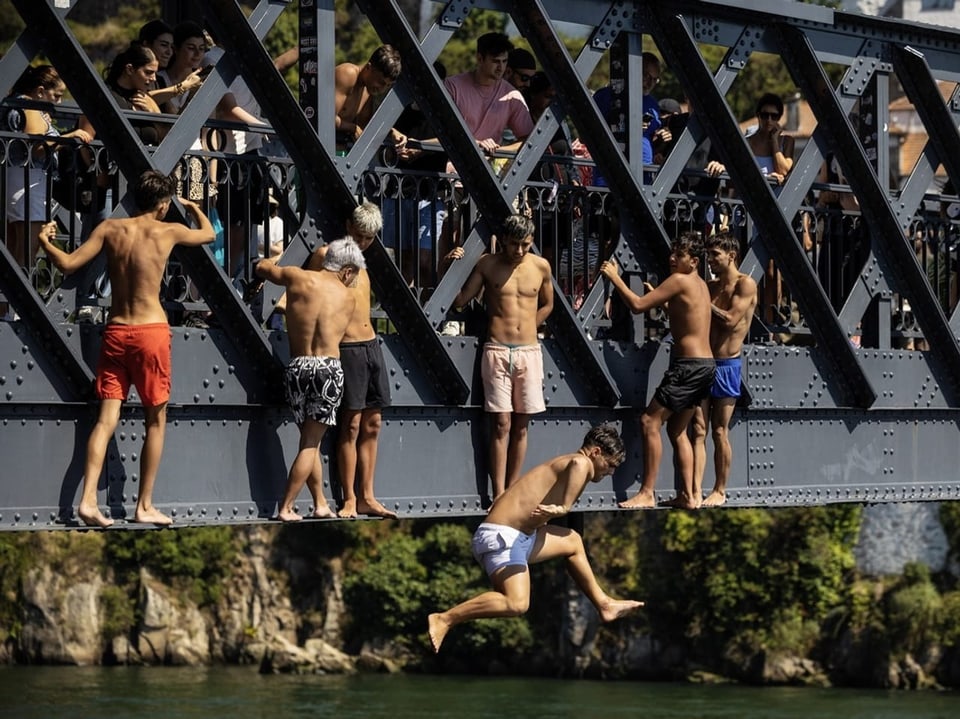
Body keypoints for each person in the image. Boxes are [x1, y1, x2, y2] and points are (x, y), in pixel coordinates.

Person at [35, 170, 216, 527]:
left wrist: (45, 242)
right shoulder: (168, 231)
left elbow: (69, 263)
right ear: (163, 205)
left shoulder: (110, 230)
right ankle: (144, 505)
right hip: (151, 333)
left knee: (105, 420)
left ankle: (88, 501)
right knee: (156, 421)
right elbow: (209, 234)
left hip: (116, 330)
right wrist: (194, 207)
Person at [426, 424, 642, 653]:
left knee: (572, 542)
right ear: (596, 452)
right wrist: (563, 508)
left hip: (523, 537)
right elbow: (580, 465)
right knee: (517, 603)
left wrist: (558, 509)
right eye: (610, 465)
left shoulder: (567, 464)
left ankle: (604, 604)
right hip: (502, 536)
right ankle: (445, 619)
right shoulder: (581, 463)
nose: (611, 472)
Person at [292, 203, 397, 518]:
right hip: (346, 348)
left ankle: (368, 495)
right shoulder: (327, 256)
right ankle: (350, 499)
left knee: (373, 423)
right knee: (350, 425)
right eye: (359, 234)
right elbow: (307, 293)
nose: (363, 241)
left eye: (369, 237)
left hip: (371, 345)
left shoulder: (363, 261)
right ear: (347, 225)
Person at [600, 231, 714, 509]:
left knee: (649, 422)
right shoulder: (699, 284)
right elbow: (686, 316)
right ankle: (688, 496)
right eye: (672, 253)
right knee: (677, 430)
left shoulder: (679, 280)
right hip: (705, 366)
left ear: (694, 261)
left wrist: (615, 278)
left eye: (680, 255)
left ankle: (647, 492)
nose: (672, 258)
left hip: (687, 367)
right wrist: (662, 300)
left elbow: (638, 307)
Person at [254, 238, 365, 522]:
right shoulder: (349, 297)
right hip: (327, 368)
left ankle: (320, 503)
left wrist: (272, 259)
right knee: (310, 444)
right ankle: (286, 507)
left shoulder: (296, 277)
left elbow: (263, 268)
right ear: (348, 271)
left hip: (297, 366)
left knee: (308, 439)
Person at [450, 214, 554, 499]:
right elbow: (460, 300)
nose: (519, 251)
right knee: (501, 423)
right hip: (497, 349)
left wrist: (533, 325)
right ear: (503, 241)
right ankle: (498, 492)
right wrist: (450, 265)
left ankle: (513, 488)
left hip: (529, 352)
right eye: (513, 244)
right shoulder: (487, 264)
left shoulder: (541, 266)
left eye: (525, 244)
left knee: (521, 424)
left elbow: (548, 304)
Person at [3, 66, 91, 283]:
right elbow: (37, 147)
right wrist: (68, 138)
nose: (58, 102)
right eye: (56, 95)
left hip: (20, 180)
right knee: (27, 250)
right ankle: (14, 312)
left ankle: (7, 310)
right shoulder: (29, 105)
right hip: (29, 183)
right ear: (40, 91)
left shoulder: (18, 102)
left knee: (16, 249)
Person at [690, 232, 757, 507]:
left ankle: (720, 489)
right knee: (698, 429)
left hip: (728, 365)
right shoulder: (710, 286)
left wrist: (701, 301)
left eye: (715, 255)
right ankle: (694, 491)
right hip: (705, 362)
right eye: (707, 255)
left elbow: (730, 320)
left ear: (731, 255)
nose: (710, 261)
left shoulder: (746, 284)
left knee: (719, 430)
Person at [335, 45, 404, 152]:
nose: (382, 89)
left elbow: (366, 128)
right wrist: (352, 128)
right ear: (368, 68)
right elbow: (324, 118)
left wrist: (392, 132)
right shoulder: (348, 73)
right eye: (381, 82)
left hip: (339, 155)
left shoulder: (368, 92)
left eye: (387, 85)